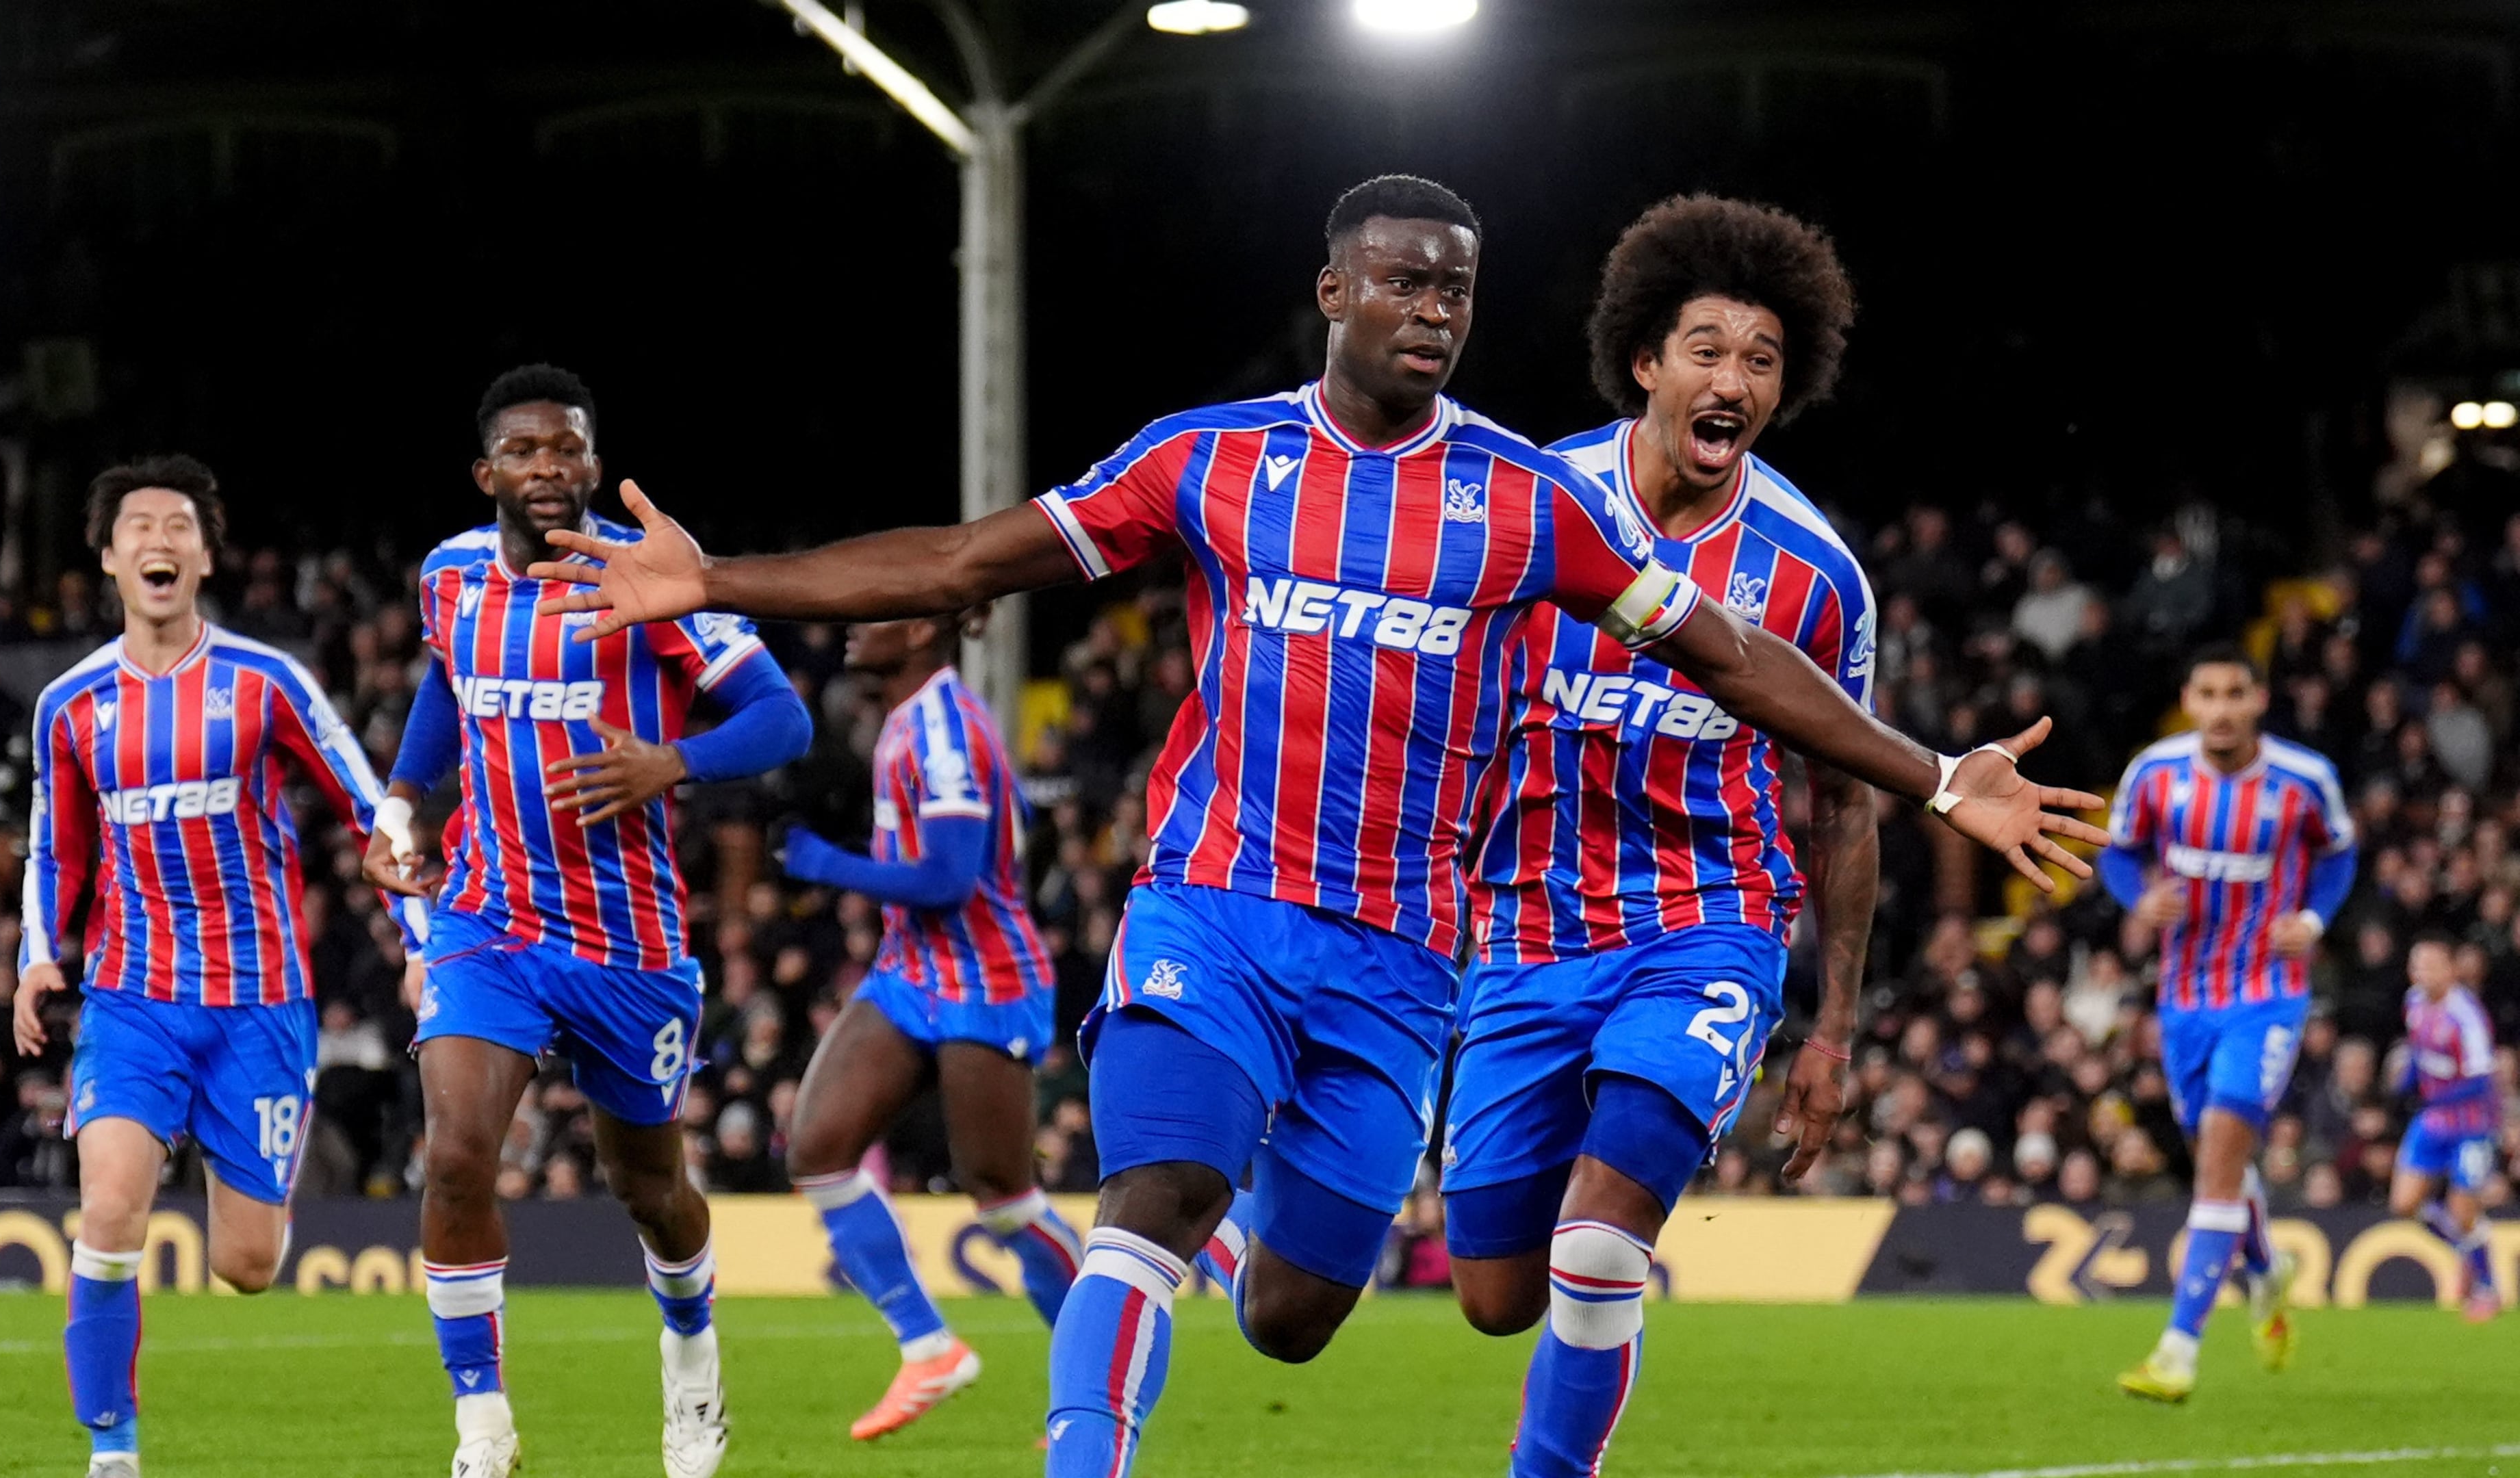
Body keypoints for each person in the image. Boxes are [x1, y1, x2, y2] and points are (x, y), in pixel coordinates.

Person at [527, 175, 2103, 1477]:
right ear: (1333, 289)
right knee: (1151, 1197)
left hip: (1404, 961)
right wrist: (719, 578)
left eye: (1456, 291)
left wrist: (1925, 771)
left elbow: (1732, 659)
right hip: (1212, 904)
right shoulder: (1208, 460)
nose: (1430, 309)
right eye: (1402, 281)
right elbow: (959, 562)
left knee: (1291, 1310)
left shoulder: (1521, 501)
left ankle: (1291, 1222)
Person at [1439, 194, 1879, 1476]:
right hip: (1525, 938)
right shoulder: (1529, 507)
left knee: (1596, 1244)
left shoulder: (1813, 572)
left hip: (1707, 928)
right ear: (1644, 359)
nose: (1733, 378)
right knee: (1495, 1292)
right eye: (1706, 349)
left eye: (1761, 359)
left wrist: (1833, 1030)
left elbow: (1844, 804)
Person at [364, 365, 812, 1478]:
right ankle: (483, 1429)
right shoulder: (451, 578)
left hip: (629, 944)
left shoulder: (650, 576)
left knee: (649, 1191)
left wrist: (676, 760)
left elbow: (783, 715)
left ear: (595, 467)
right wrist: (401, 803)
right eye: (525, 451)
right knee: (460, 1159)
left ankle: (694, 1358)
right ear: (489, 474)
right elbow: (443, 685)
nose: (549, 467)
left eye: (567, 448)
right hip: (488, 918)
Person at [14, 455, 394, 1478]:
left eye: (180, 527)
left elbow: (370, 808)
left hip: (259, 1005)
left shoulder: (269, 684)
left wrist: (422, 928)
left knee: (247, 1268)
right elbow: (59, 846)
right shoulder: (70, 704)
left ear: (208, 556)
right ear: (108, 557)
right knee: (106, 1210)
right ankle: (114, 1453)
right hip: (133, 999)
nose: (160, 542)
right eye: (139, 527)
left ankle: (250, 1170)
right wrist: (37, 958)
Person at [775, 607, 1086, 1438]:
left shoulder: (946, 729)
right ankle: (928, 1347)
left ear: (919, 632)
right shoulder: (905, 719)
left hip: (986, 980)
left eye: (878, 610)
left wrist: (826, 865)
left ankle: (1100, 1360)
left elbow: (950, 877)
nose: (850, 623)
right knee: (817, 1147)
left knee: (1003, 1197)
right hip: (911, 973)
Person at [2102, 644, 2357, 1402]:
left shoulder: (2305, 780)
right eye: (2206, 694)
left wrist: (2312, 918)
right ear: (2189, 698)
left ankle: (2178, 1351)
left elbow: (2339, 857)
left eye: (2233, 694)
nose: (2219, 708)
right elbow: (2120, 855)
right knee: (2222, 1163)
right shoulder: (2155, 773)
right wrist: (2139, 900)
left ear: (2258, 700)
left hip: (2268, 994)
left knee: (2219, 1155)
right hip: (2184, 1001)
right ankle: (2266, 1269)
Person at [2389, 933, 2502, 1321]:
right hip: (2433, 1120)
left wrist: (2437, 1093)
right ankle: (2464, 1250)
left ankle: (2487, 1288)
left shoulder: (2467, 1015)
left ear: (2451, 970)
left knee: (2463, 1209)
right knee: (2403, 1203)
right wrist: (2405, 1082)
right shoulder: (2413, 1003)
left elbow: (2482, 1079)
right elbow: (2421, 1055)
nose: (2423, 973)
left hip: (2471, 1123)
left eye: (2432, 965)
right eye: (2417, 965)